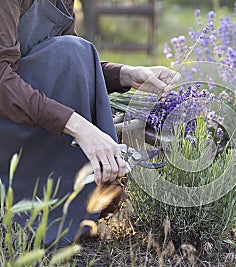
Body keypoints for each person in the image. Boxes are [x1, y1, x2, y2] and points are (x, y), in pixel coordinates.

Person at [0, 0, 179, 245]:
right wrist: (80, 127)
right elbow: (2, 81)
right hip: (8, 118)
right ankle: (29, 205)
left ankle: (66, 204)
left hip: (28, 114)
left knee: (76, 50)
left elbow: (66, 63)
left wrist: (125, 74)